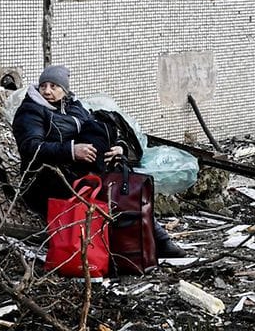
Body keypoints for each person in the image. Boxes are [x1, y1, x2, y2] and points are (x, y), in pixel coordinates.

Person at [12, 65, 186, 258]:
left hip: (77, 170)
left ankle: (154, 241)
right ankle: (146, 244)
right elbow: (31, 147)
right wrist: (71, 151)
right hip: (46, 178)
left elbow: (104, 133)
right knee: (109, 190)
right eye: (43, 85)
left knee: (120, 179)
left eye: (54, 86)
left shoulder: (75, 107)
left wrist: (120, 148)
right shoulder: (31, 111)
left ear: (65, 89)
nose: (47, 91)